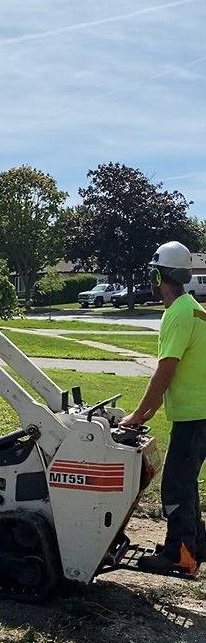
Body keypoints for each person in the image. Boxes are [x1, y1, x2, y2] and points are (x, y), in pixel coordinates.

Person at [120, 241, 206, 576]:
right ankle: (193, 545)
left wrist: (139, 414)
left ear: (158, 275)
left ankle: (180, 557)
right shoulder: (195, 308)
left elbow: (165, 370)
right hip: (200, 413)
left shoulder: (178, 313)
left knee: (174, 485)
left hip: (193, 415)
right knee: (186, 483)